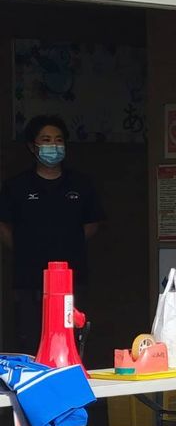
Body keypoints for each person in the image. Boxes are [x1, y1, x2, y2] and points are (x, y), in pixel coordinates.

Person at [0, 114, 104, 353]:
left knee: (70, 342)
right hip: (29, 278)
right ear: (32, 146)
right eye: (46, 140)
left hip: (72, 279)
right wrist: (24, 247)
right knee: (30, 341)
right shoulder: (16, 186)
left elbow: (92, 224)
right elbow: (3, 224)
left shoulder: (81, 184)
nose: (53, 145)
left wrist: (67, 243)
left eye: (58, 140)